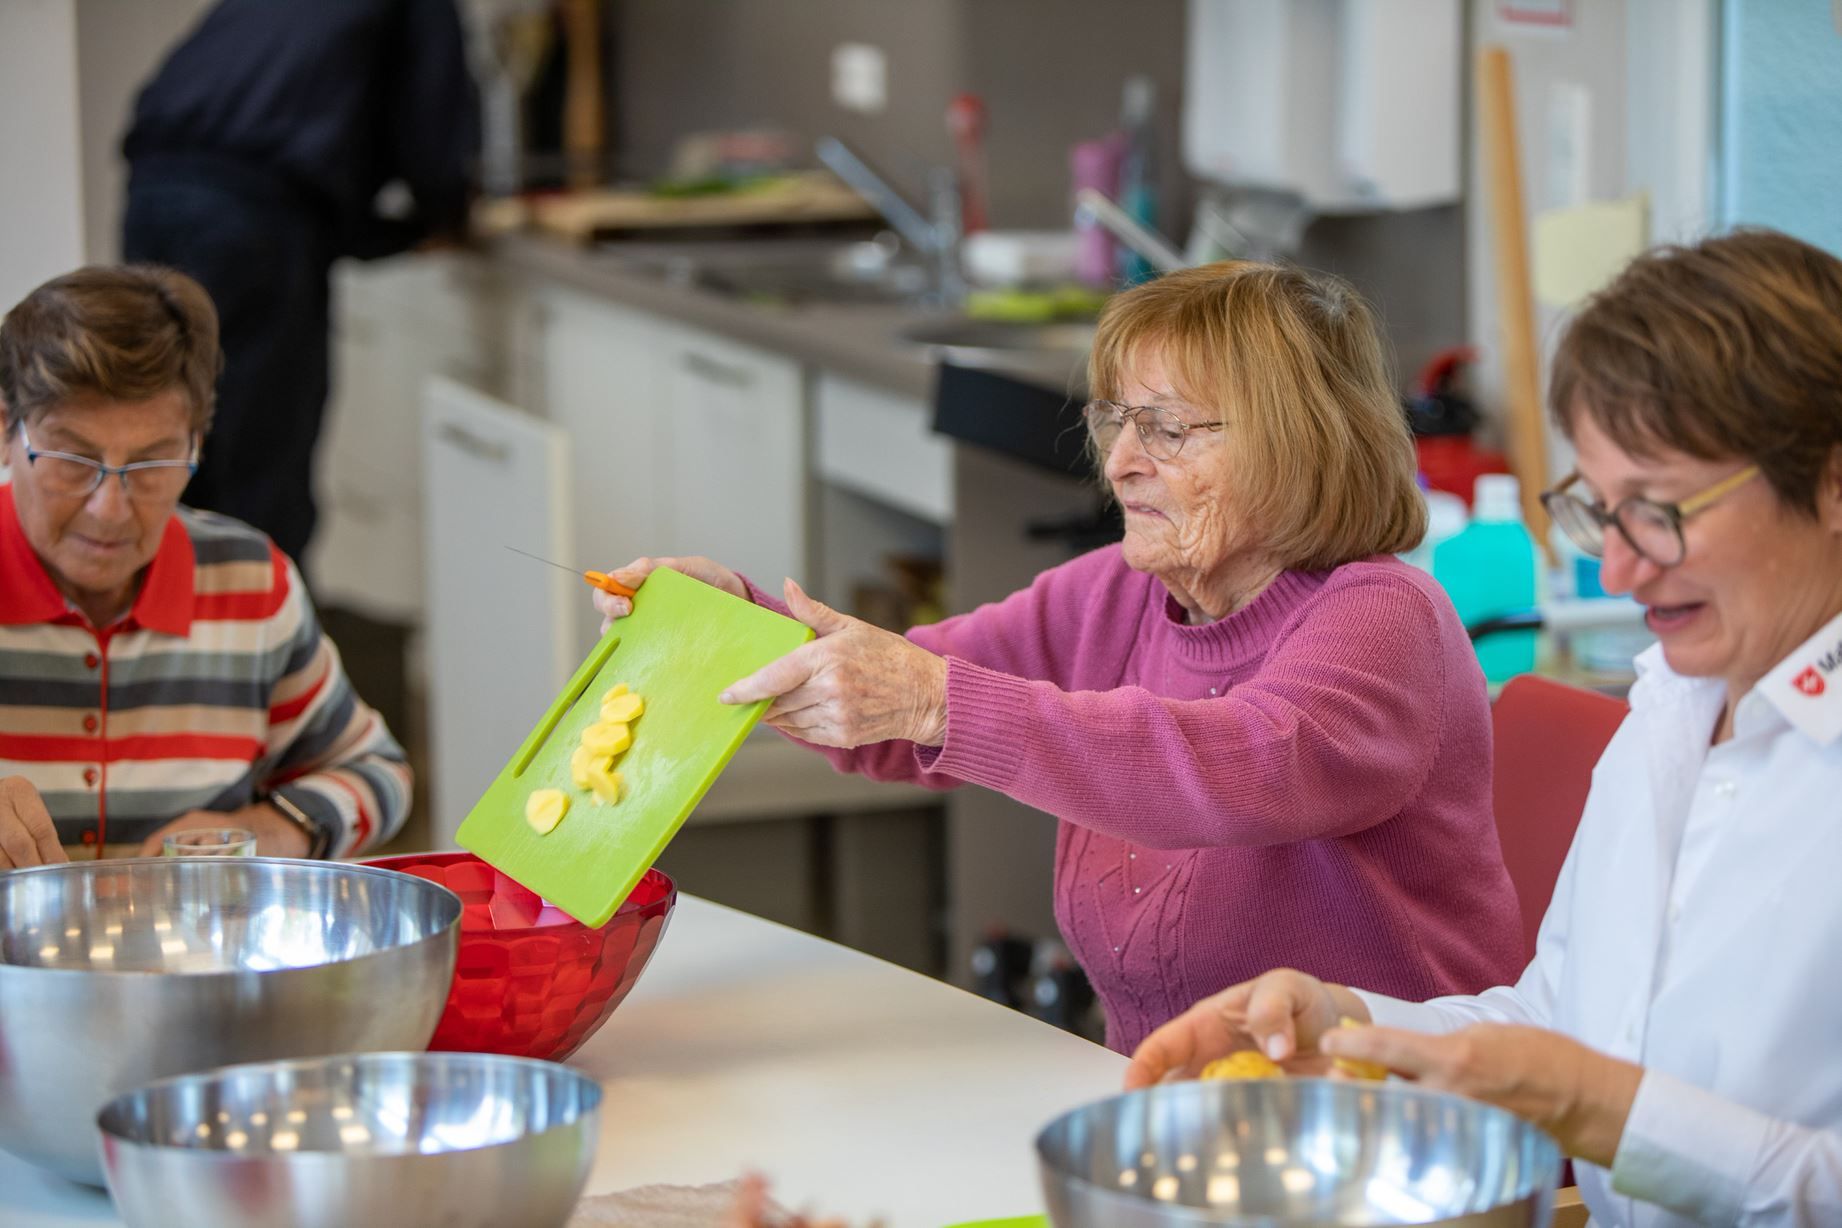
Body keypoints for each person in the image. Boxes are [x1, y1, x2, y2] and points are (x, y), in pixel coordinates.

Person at [597, 260, 1524, 1054]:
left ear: (1299, 446)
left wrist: (937, 701)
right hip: (1179, 1116)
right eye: (1117, 420)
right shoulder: (1114, 595)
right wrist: (733, 625)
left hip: (1391, 1120)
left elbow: (1240, 767)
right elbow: (897, 704)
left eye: (1168, 429)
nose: (1119, 464)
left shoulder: (1384, 620)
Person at [1127, 230, 1842, 1227]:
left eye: (1663, 511)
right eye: (1601, 510)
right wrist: (1350, 1031)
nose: (1621, 570)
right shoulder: (1674, 711)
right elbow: (1561, 1018)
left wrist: (1598, 1110)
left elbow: (1598, 1091)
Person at [0, 265, 412, 866]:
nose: (110, 509)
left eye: (152, 463)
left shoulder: (249, 583)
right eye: (72, 459)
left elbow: (379, 771)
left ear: (196, 443)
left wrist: (270, 828)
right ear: (5, 429)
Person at [120, 0, 478, 564]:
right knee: (260, 458)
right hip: (253, 222)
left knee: (173, 431)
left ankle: (174, 611)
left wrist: (387, 235)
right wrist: (446, 214)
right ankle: (267, 617)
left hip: (154, 196)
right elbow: (434, 116)